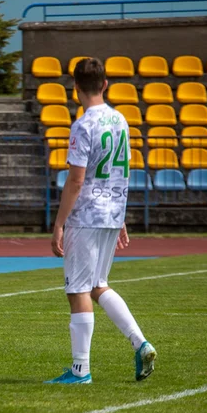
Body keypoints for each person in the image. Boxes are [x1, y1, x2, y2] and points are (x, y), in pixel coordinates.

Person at [47, 57, 156, 384]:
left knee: (78, 289)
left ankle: (80, 369)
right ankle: (141, 343)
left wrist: (59, 223)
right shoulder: (121, 120)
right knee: (97, 285)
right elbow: (123, 170)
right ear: (105, 84)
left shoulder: (83, 125)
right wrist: (119, 215)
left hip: (87, 214)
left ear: (75, 88)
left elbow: (76, 180)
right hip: (111, 211)